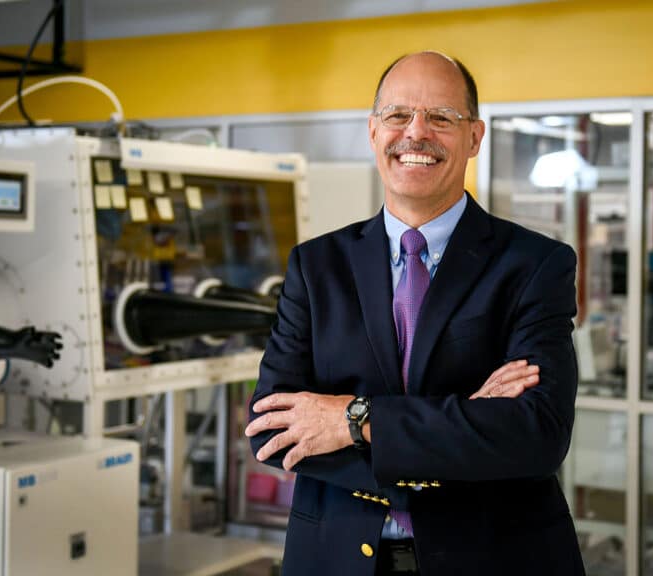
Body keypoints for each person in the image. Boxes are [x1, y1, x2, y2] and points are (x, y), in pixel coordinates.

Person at [245, 51, 585, 576]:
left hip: (492, 559)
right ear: (373, 130)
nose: (416, 132)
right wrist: (463, 425)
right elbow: (272, 429)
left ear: (474, 137)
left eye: (441, 117)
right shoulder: (316, 266)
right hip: (335, 559)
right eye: (398, 114)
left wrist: (353, 420)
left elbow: (536, 434)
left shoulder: (535, 265)